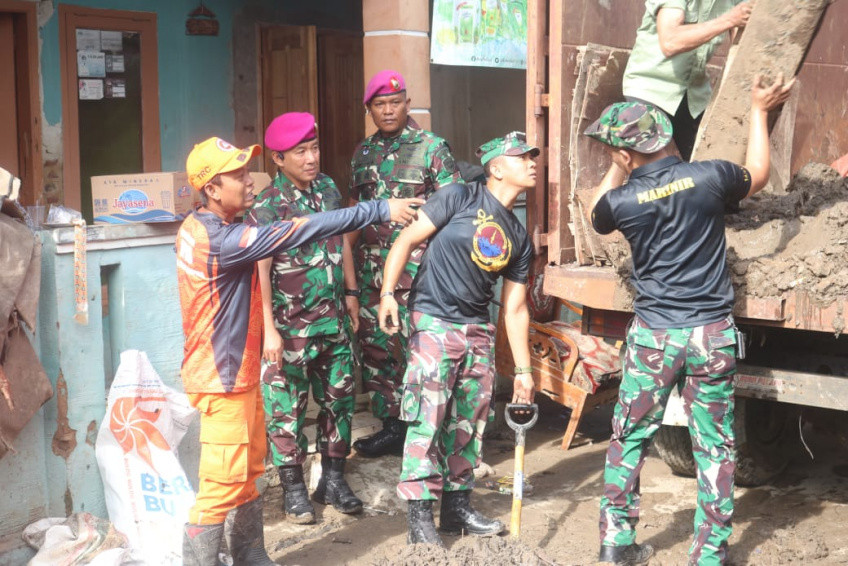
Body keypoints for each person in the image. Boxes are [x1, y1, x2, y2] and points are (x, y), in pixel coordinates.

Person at [177, 136, 422, 566]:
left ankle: (251, 553)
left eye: (246, 169)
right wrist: (379, 209)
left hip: (240, 372)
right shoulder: (218, 240)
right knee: (221, 485)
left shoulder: (208, 225)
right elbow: (301, 228)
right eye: (237, 175)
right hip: (223, 377)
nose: (249, 180)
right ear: (212, 190)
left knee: (250, 471)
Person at [585, 74, 794, 565]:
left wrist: (619, 170)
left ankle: (616, 544)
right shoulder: (710, 177)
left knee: (631, 436)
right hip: (710, 335)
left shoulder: (621, 204)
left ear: (623, 152)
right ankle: (709, 555)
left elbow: (596, 210)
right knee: (714, 445)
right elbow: (758, 172)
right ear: (670, 139)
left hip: (655, 335)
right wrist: (759, 110)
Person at [378, 132, 538, 546]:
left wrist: (523, 371)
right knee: (426, 418)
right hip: (434, 322)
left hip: (478, 331)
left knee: (468, 422)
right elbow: (406, 240)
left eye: (533, 157)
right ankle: (419, 516)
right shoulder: (459, 197)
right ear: (497, 168)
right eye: (523, 157)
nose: (533, 162)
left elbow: (516, 308)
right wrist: (387, 295)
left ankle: (456, 507)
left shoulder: (518, 237)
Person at [243, 113, 364, 525]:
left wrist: (351, 292)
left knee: (339, 400)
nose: (311, 158)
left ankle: (332, 480)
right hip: (290, 327)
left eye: (314, 149)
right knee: (287, 409)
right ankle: (294, 489)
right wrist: (269, 330)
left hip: (333, 319)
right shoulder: (267, 207)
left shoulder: (328, 188)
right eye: (301, 152)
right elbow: (258, 270)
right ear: (278, 159)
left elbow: (343, 240)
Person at [347, 70, 464, 458]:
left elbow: (454, 209)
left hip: (420, 271)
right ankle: (393, 427)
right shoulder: (362, 153)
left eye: (395, 102)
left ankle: (430, 433)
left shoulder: (432, 148)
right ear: (370, 110)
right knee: (378, 348)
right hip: (373, 270)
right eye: (380, 105)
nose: (388, 110)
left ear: (407, 103)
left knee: (422, 351)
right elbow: (354, 213)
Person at [622, 0, 753, 160]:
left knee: (712, 164)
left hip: (695, 95)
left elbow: (744, 39)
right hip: (651, 88)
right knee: (651, 172)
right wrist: (729, 19)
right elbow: (670, 42)